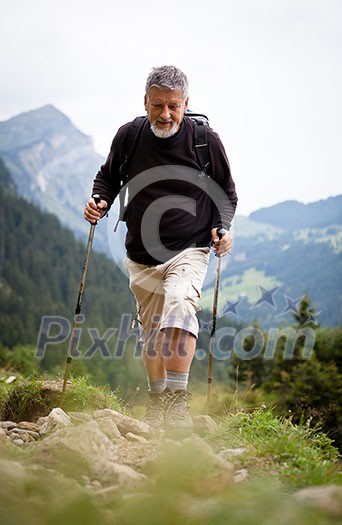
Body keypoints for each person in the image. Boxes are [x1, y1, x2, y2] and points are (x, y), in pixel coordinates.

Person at [84, 65, 238, 432]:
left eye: (173, 106)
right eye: (157, 106)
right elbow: (107, 177)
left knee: (181, 306)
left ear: (186, 103)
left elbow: (226, 192)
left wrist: (223, 227)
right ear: (145, 102)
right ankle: (155, 402)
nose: (165, 114)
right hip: (141, 253)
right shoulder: (130, 136)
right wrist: (99, 200)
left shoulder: (205, 140)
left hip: (191, 247)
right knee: (151, 331)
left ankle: (177, 401)